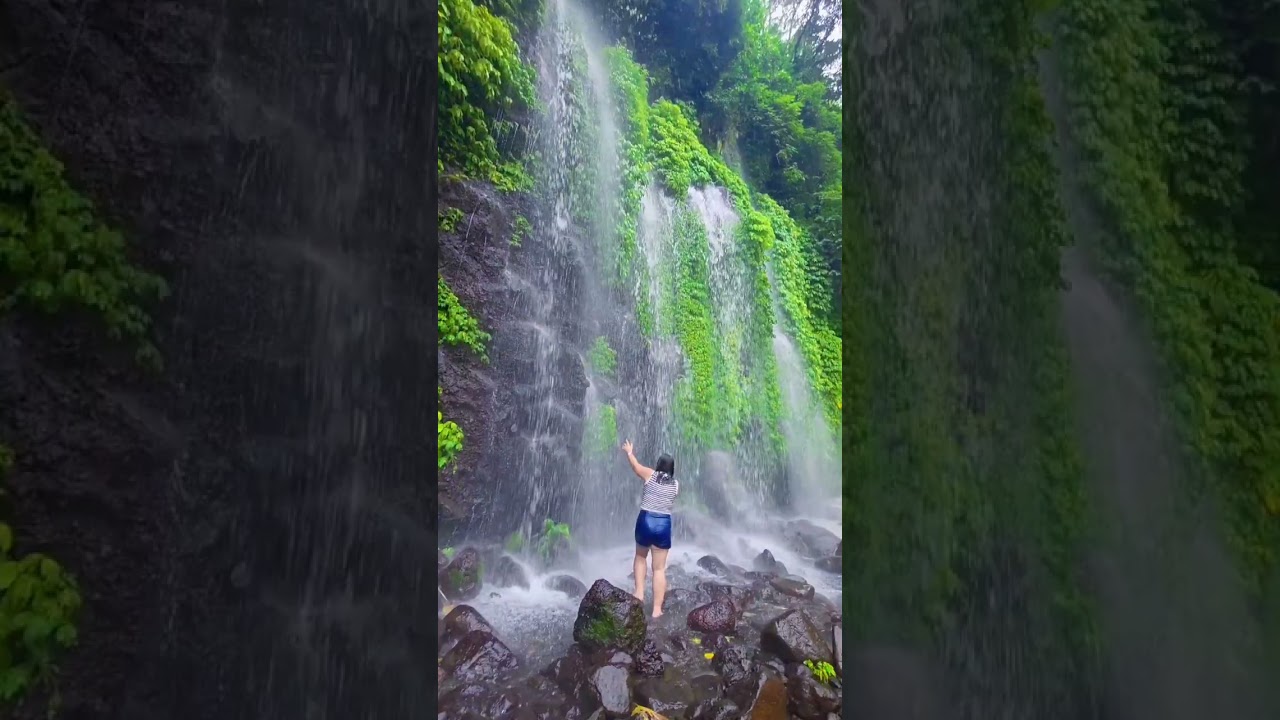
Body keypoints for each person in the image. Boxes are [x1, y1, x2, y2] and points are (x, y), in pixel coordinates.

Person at [621, 439, 678, 617]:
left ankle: (639, 594)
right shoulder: (675, 485)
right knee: (659, 569)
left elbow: (636, 467)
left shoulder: (650, 475)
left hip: (645, 520)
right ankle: (657, 610)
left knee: (640, 557)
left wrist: (629, 452)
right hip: (663, 524)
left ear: (658, 465)